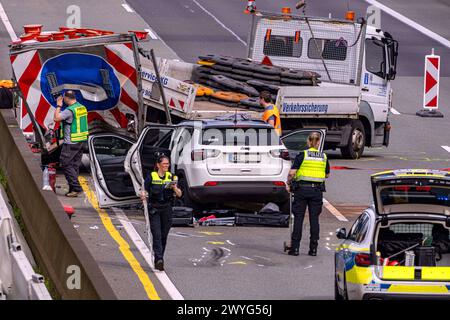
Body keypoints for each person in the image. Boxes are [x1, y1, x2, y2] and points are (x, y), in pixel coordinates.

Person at [286, 132, 330, 256]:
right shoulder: (324, 157)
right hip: (316, 191)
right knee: (314, 219)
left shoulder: (302, 155)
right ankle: (313, 249)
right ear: (318, 143)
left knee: (298, 218)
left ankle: (295, 249)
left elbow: (292, 173)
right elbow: (327, 174)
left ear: (309, 142)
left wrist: (289, 183)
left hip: (301, 190)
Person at [140, 155, 182, 271]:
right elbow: (144, 191)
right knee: (157, 235)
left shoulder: (172, 177)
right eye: (164, 164)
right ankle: (159, 260)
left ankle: (160, 258)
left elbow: (179, 194)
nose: (166, 166)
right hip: (154, 209)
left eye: (167, 164)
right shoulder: (151, 177)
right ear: (158, 165)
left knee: (164, 236)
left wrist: (174, 188)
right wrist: (143, 195)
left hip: (167, 209)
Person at [53, 90, 89, 197]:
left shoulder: (70, 110)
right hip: (81, 140)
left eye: (64, 99)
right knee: (74, 166)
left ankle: (77, 187)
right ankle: (73, 190)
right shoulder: (81, 107)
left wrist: (59, 106)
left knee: (65, 163)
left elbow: (56, 118)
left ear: (67, 98)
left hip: (71, 142)